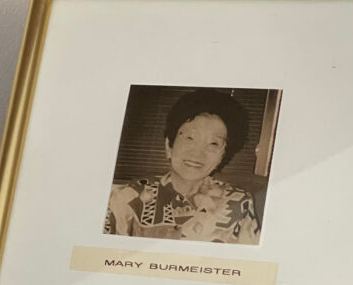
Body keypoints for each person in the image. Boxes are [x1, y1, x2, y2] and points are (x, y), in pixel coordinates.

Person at [104, 88, 261, 244]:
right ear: (169, 145)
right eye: (190, 138)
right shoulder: (130, 195)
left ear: (222, 156)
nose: (197, 153)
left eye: (213, 143)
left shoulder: (239, 203)